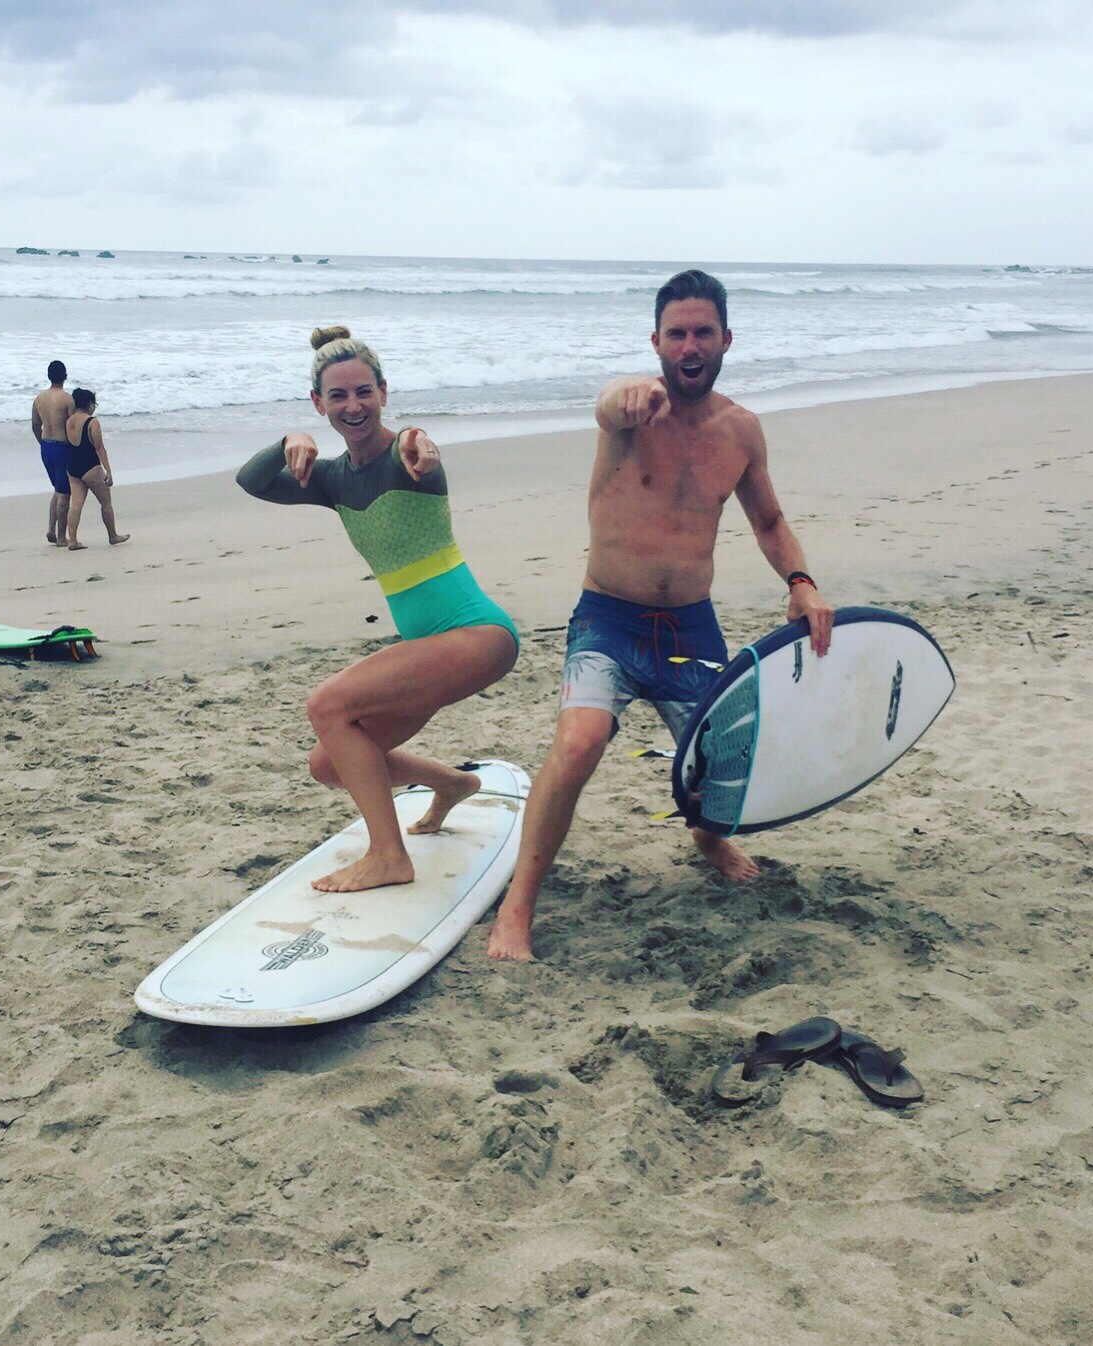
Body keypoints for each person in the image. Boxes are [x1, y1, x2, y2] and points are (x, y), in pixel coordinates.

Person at [486, 269, 835, 961]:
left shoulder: (741, 431)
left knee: (726, 763)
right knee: (580, 743)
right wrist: (627, 393)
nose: (689, 345)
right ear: (655, 341)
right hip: (608, 622)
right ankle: (518, 907)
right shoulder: (630, 411)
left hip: (690, 628)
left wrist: (802, 583)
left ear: (727, 339)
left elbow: (769, 521)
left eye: (703, 332)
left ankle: (706, 837)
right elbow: (607, 403)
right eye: (676, 334)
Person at [237, 325, 519, 893]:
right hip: (427, 648)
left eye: (364, 391)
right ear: (318, 403)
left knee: (327, 704)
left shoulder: (404, 453)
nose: (353, 405)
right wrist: (287, 438)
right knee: (328, 763)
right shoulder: (331, 479)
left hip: (476, 635)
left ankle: (389, 856)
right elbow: (252, 481)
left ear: (384, 392)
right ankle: (452, 783)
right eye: (337, 395)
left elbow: (419, 449)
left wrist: (420, 441)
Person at [63, 389, 130, 549]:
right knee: (106, 502)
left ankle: (72, 540)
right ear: (89, 404)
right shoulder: (92, 422)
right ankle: (113, 536)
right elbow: (99, 447)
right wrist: (108, 470)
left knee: (75, 505)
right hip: (91, 467)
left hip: (73, 468)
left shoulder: (69, 421)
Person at [32, 359, 73, 546]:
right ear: (65, 376)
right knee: (64, 493)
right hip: (62, 447)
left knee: (58, 489)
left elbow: (35, 425)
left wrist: (42, 443)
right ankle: (62, 537)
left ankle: (51, 529)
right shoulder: (67, 399)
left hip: (46, 447)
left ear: (49, 376)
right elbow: (72, 425)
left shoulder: (39, 399)